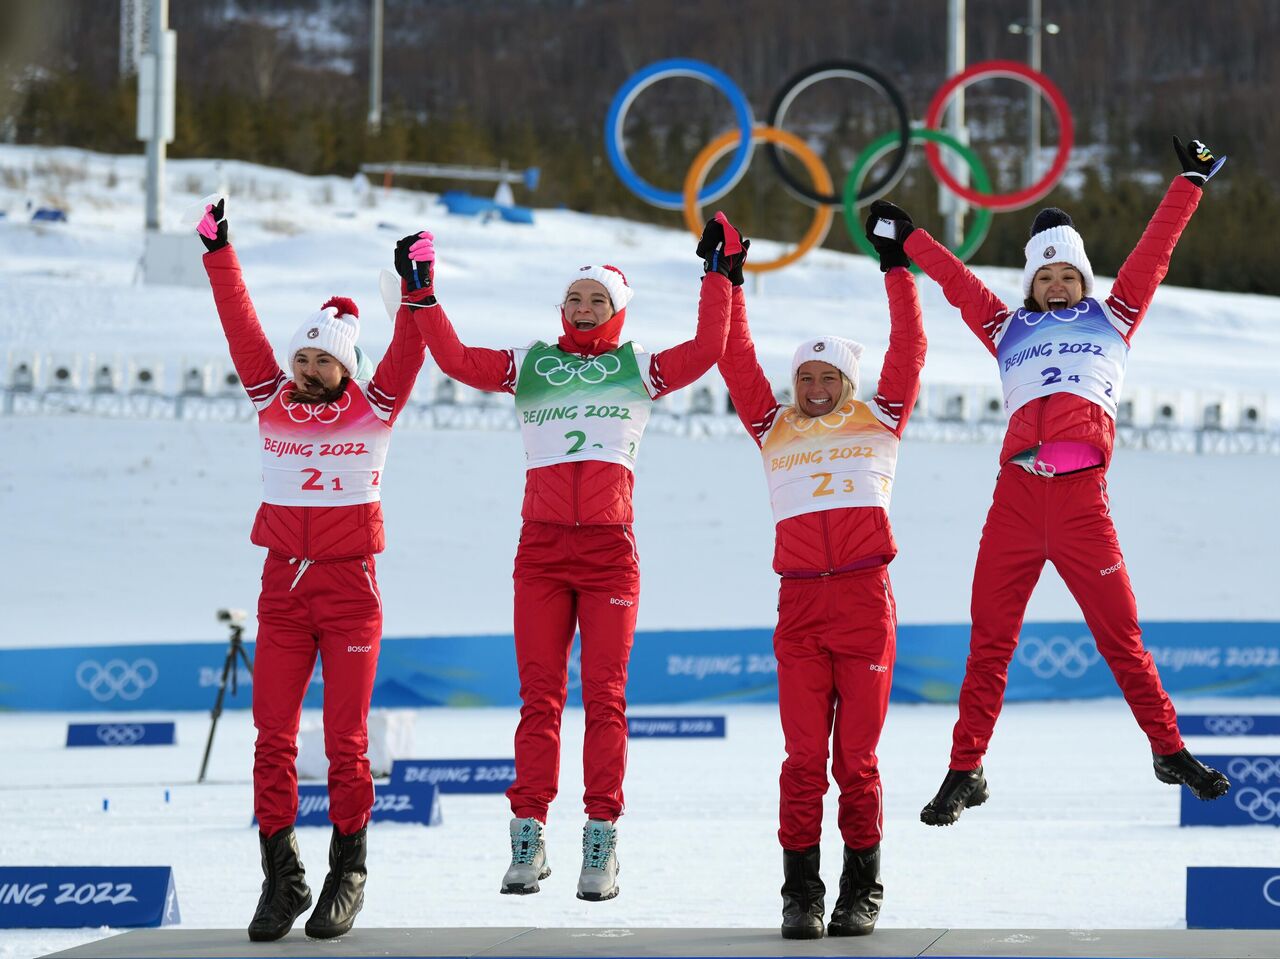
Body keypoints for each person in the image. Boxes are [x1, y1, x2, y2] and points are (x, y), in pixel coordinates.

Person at [868, 137, 1232, 827]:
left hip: (1080, 501)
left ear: (1084, 280)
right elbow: (958, 284)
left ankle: (1168, 747)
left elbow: (1152, 254)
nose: (1057, 285)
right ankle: (965, 768)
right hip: (1015, 499)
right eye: (1045, 276)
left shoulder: (1115, 315)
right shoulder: (1006, 328)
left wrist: (1189, 180)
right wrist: (910, 237)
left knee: (1121, 635)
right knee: (991, 641)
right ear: (1030, 283)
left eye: (1068, 274)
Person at [394, 215, 739, 901]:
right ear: (561, 308)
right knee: (539, 701)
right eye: (575, 299)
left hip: (610, 551)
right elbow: (458, 359)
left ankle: (601, 840)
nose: (584, 309)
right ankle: (528, 836)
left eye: (598, 301)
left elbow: (707, 348)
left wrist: (719, 276)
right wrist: (422, 293)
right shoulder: (532, 365)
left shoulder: (638, 366)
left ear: (618, 310)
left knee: (607, 699)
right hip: (542, 549)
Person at [196, 200, 427, 940]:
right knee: (271, 737)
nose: (306, 368)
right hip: (283, 591)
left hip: (351, 592)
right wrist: (218, 253)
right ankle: (282, 874)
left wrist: (418, 286)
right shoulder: (272, 400)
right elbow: (241, 326)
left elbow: (409, 350)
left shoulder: (376, 406)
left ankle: (346, 872)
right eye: (302, 357)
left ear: (345, 366)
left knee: (346, 744)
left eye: (322, 359)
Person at [716, 210, 925, 938]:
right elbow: (734, 358)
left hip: (866, 599)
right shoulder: (771, 426)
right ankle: (801, 892)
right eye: (803, 375)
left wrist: (896, 265)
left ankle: (861, 890)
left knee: (856, 760)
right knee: (803, 757)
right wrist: (730, 281)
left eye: (825, 375)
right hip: (800, 605)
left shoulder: (881, 417)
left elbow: (912, 344)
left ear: (848, 381)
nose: (811, 385)